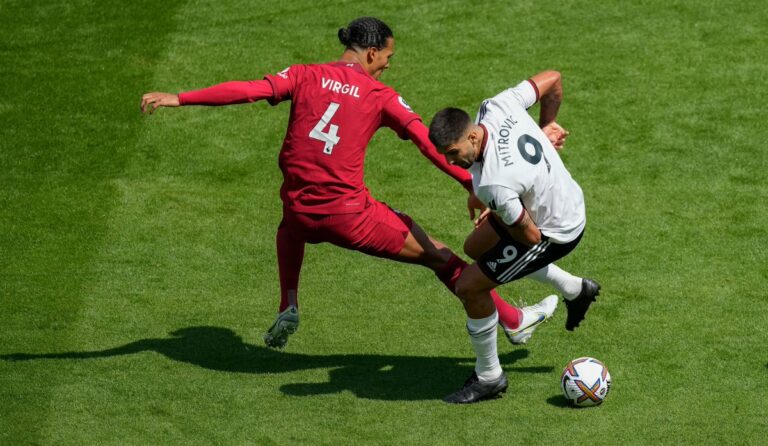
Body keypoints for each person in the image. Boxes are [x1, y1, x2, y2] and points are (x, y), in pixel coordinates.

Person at [140, 18, 556, 359]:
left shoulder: (303, 75)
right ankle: (514, 322)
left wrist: (180, 97)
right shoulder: (380, 95)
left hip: (300, 213)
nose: (388, 66)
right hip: (349, 217)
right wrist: (473, 183)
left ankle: (289, 303)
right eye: (388, 57)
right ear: (372, 53)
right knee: (441, 257)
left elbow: (249, 90)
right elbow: (428, 143)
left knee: (290, 222)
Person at [428, 70, 601, 403]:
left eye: (453, 153)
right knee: (473, 247)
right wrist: (546, 125)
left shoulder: (495, 185)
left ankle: (489, 376)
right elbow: (553, 78)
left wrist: (500, 207)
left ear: (472, 137)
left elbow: (531, 237)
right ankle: (576, 289)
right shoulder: (497, 106)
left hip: (556, 230)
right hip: (562, 198)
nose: (450, 162)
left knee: (469, 286)